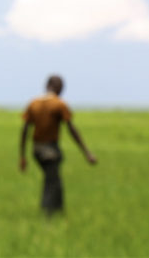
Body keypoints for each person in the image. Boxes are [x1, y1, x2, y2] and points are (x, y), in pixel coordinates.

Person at [19, 75, 97, 216]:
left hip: (36, 149)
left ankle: (58, 213)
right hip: (49, 150)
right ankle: (47, 214)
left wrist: (23, 156)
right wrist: (87, 152)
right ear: (59, 88)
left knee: (55, 181)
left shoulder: (33, 103)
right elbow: (71, 129)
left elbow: (25, 130)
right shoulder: (59, 104)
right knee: (52, 182)